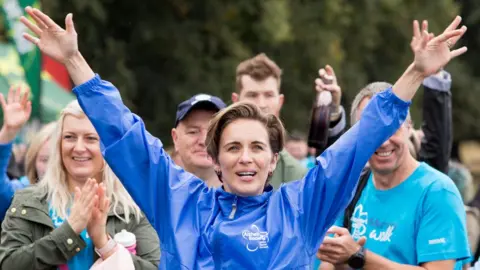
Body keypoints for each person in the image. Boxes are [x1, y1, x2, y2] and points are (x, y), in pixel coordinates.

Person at [20, 7, 467, 269]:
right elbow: (125, 133)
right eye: (232, 147)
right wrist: (75, 61)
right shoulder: (179, 199)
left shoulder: (302, 205)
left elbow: (360, 140)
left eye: (257, 147)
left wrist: (415, 73)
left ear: (274, 160)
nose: (245, 158)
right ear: (214, 158)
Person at [316, 18, 470, 270]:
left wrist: (359, 257)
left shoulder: (437, 191)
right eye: (371, 131)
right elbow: (328, 263)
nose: (383, 140)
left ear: (409, 127)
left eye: (392, 128)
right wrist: (340, 259)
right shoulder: (352, 188)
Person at [0, 100, 161, 269]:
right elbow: (8, 265)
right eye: (69, 137)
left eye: (91, 138)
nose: (78, 147)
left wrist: (104, 244)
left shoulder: (132, 208)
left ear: (108, 145)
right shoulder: (29, 200)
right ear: (59, 144)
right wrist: (69, 231)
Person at [232, 54, 346, 188]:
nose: (261, 104)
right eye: (252, 95)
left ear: (280, 102)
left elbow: (327, 187)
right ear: (236, 101)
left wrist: (330, 115)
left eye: (268, 95)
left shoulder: (297, 177)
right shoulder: (215, 162)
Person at [0, 86, 56, 221]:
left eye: (57, 160)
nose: (50, 168)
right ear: (33, 162)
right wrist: (8, 131)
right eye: (44, 160)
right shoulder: (23, 192)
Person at [171, 94, 226, 187]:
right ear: (175, 138)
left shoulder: (250, 196)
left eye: (213, 132)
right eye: (193, 132)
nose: (204, 141)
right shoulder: (155, 195)